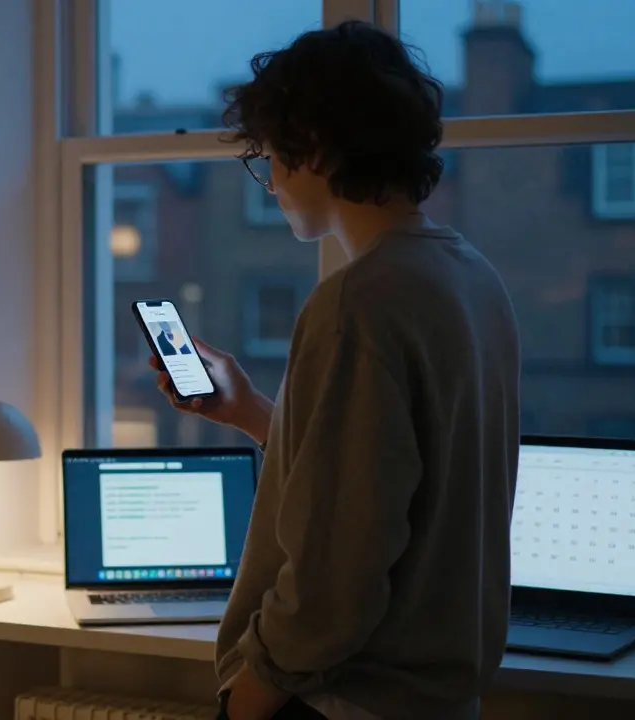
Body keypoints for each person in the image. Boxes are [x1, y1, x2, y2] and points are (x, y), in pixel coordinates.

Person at [150, 20, 520, 720]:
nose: (271, 185)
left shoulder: (358, 303)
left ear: (313, 147)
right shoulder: (471, 277)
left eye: (270, 160)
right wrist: (254, 411)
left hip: (343, 699)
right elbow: (385, 478)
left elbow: (334, 578)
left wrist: (248, 697)